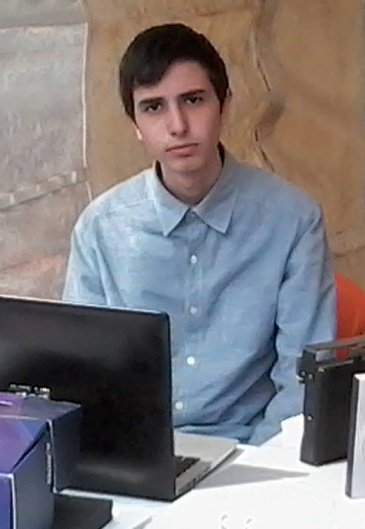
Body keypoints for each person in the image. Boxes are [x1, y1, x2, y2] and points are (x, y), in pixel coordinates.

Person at [63, 23, 336, 445]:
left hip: (251, 449)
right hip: (139, 453)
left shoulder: (293, 221)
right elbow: (85, 375)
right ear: (135, 125)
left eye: (193, 100)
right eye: (153, 107)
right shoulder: (101, 230)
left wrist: (259, 462)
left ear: (225, 107)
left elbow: (301, 385)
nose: (177, 125)